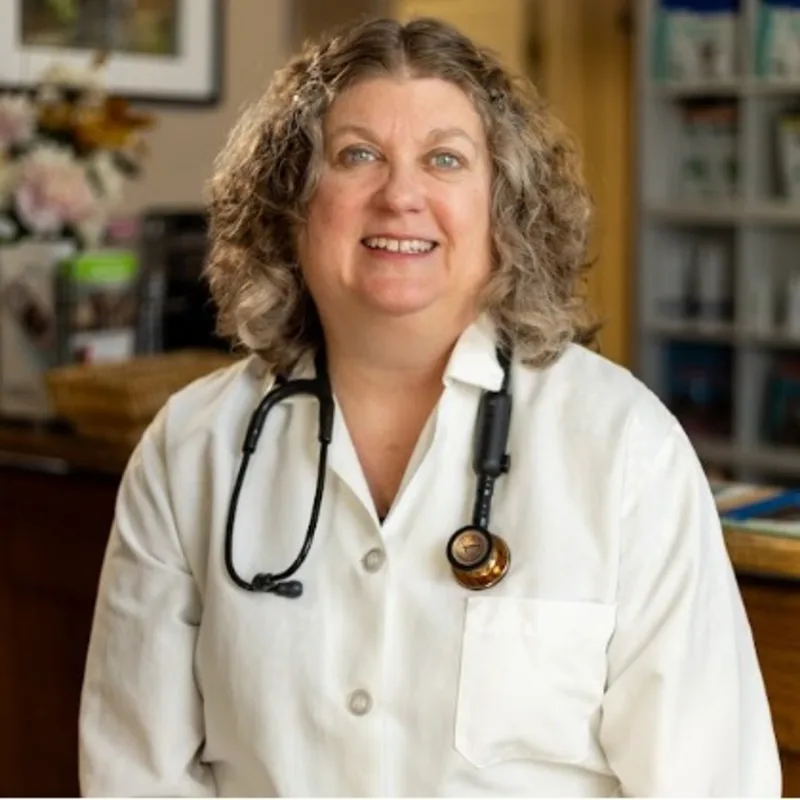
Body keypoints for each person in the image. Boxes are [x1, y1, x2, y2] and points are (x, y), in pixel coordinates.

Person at [78, 15, 781, 797]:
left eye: (444, 159)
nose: (401, 195)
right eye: (357, 156)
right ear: (292, 204)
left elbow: (714, 779)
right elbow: (133, 774)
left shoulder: (624, 447)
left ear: (502, 207)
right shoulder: (191, 449)